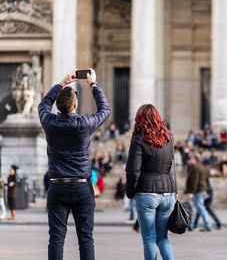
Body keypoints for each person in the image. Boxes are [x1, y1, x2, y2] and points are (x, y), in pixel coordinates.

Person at [38, 69, 110, 260]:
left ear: (58, 107)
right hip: (81, 186)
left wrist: (62, 83)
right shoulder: (84, 123)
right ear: (75, 105)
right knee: (86, 238)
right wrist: (94, 85)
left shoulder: (49, 122)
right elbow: (105, 110)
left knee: (56, 238)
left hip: (57, 185)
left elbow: (43, 104)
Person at [125, 104, 177, 260]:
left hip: (146, 192)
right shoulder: (169, 138)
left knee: (149, 238)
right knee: (163, 238)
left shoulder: (139, 140)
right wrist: (174, 191)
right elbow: (172, 167)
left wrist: (130, 191)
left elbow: (133, 170)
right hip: (168, 192)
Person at [185, 153, 212, 232]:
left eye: (191, 159)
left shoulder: (196, 168)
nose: (190, 161)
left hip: (197, 190)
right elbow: (207, 179)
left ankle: (207, 225)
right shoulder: (203, 167)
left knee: (200, 207)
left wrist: (191, 192)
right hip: (201, 189)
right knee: (198, 207)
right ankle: (192, 225)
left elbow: (194, 181)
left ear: (195, 159)